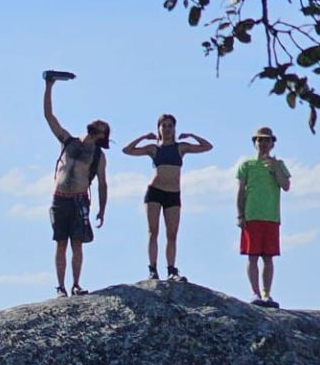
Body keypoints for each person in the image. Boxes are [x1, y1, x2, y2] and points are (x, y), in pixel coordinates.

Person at [42, 71, 109, 296]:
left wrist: (102, 209)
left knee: (77, 244)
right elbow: (49, 117)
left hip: (79, 199)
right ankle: (60, 287)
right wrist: (49, 87)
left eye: (100, 126)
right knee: (60, 242)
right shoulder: (68, 141)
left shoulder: (98, 155)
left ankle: (76, 284)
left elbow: (102, 184)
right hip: (59, 198)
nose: (95, 124)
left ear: (102, 135)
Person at [122, 114, 212, 281]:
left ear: (174, 128)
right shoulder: (153, 148)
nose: (167, 129)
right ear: (159, 129)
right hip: (155, 192)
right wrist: (144, 137)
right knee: (153, 231)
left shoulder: (180, 148)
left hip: (173, 193)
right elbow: (127, 150)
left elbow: (207, 146)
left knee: (172, 234)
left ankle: (171, 269)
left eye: (170, 126)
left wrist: (191, 136)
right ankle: (152, 269)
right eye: (164, 126)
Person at [236, 125, 292, 308]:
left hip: (271, 216)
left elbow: (286, 186)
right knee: (252, 256)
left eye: (267, 140)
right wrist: (240, 214)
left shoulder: (279, 164)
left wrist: (275, 168)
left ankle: (267, 294)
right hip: (252, 216)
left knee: (268, 257)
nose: (264, 143)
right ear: (255, 142)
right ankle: (255, 293)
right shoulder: (247, 165)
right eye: (260, 139)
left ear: (273, 143)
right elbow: (240, 191)